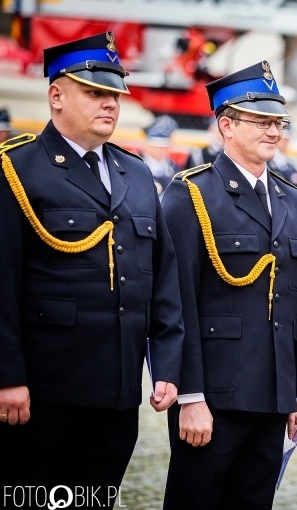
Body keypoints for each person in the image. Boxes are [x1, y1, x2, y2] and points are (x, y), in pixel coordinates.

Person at [0, 32, 183, 501]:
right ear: (56, 95)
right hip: (44, 391)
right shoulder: (17, 170)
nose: (110, 104)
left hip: (117, 392)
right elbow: (2, 283)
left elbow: (161, 279)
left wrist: (166, 366)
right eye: (95, 93)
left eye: (114, 95)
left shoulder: (136, 172)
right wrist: (7, 376)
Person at [161, 60, 297, 510]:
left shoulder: (292, 201)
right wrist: (190, 396)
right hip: (213, 395)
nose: (274, 131)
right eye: (261, 121)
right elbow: (177, 305)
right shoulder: (191, 194)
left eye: (279, 122)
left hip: (273, 397)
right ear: (226, 126)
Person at [141, 114, 179, 197]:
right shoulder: (137, 165)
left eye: (163, 147)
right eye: (155, 147)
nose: (159, 151)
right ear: (147, 146)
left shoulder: (175, 169)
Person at [269, 122, 297, 187]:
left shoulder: (290, 166)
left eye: (287, 139)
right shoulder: (266, 162)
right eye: (283, 138)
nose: (285, 142)